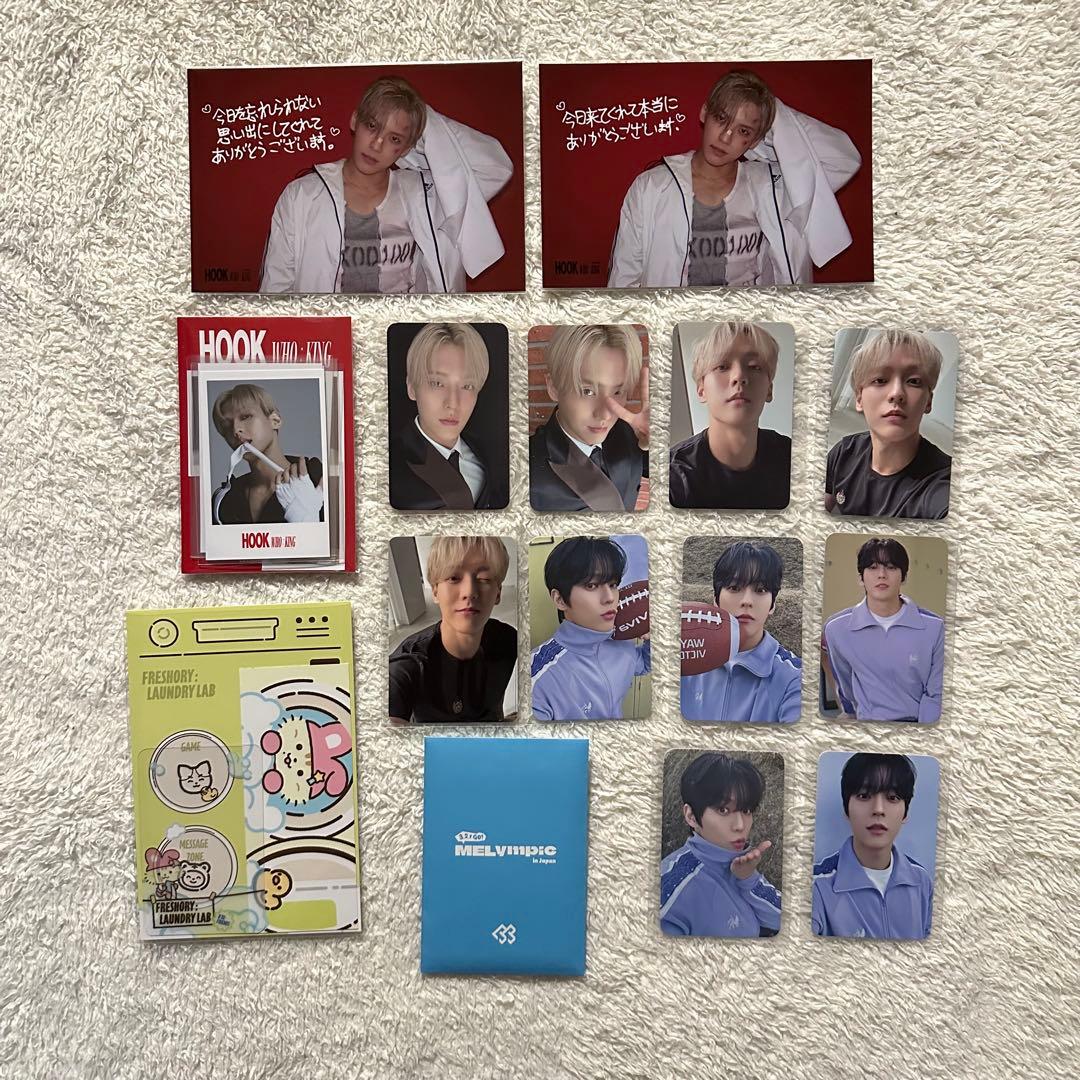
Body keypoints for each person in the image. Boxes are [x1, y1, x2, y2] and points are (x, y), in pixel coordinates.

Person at [608, 69, 862, 288]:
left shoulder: (773, 186)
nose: (725, 137)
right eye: (721, 118)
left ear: (756, 139)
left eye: (743, 130)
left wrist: (772, 113)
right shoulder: (651, 187)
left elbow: (844, 159)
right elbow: (624, 278)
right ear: (704, 113)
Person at [259, 75, 513, 294]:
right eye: (372, 126)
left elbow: (496, 168)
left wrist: (423, 119)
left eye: (394, 138)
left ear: (408, 148)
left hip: (400, 330)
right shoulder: (301, 195)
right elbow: (275, 290)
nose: (376, 144)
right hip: (326, 331)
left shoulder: (426, 194)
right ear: (354, 121)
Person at [825, 330, 952, 519]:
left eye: (914, 381)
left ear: (928, 401)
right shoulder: (843, 452)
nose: (896, 393)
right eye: (880, 380)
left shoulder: (943, 485)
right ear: (859, 398)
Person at [388, 537, 516, 724]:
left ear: (498, 593)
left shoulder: (509, 640)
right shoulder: (408, 664)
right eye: (454, 578)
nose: (469, 591)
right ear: (435, 591)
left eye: (484, 579)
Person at [812, 753, 934, 939]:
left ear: (905, 813)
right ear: (846, 809)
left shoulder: (921, 881)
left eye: (892, 797)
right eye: (864, 796)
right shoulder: (818, 885)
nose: (878, 809)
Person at [821, 537, 944, 723]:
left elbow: (936, 695)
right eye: (873, 567)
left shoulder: (934, 628)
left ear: (904, 577)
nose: (882, 574)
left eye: (891, 567)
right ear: (860, 578)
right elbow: (845, 687)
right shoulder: (837, 629)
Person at [669, 321, 790, 508]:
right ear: (701, 390)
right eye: (722, 366)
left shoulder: (792, 458)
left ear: (769, 389)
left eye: (754, 366)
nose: (739, 376)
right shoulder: (673, 477)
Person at [529, 325, 649, 511]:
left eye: (618, 392)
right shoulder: (526, 473)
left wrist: (655, 444)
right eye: (587, 391)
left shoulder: (629, 431)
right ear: (554, 387)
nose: (605, 415)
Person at [660, 753, 781, 937]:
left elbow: (784, 920)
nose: (740, 825)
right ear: (691, 816)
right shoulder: (672, 893)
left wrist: (748, 879)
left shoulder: (743, 864)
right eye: (723, 810)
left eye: (747, 810)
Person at [389, 323, 507, 510]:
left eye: (467, 386)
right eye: (437, 383)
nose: (453, 403)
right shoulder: (388, 467)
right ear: (411, 387)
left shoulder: (490, 454)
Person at [530, 537, 650, 721]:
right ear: (560, 600)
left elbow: (643, 664)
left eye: (613, 585)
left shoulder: (622, 643)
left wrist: (653, 640)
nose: (610, 598)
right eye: (591, 585)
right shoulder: (538, 679)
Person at [681, 541, 801, 723]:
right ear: (716, 599)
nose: (747, 601)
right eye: (734, 588)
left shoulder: (794, 677)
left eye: (760, 590)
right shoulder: (685, 655)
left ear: (772, 604)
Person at [210, 383, 324, 525]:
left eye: (245, 417)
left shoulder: (319, 478)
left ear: (275, 421)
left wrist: (309, 522)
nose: (235, 430)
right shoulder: (224, 501)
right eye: (226, 425)